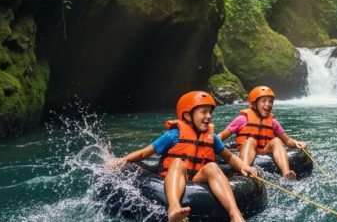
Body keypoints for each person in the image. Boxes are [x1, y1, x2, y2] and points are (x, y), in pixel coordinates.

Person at [108, 91, 257, 222]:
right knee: (178, 162)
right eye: (203, 112)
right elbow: (144, 153)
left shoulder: (212, 138)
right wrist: (124, 160)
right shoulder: (173, 135)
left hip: (197, 178)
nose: (208, 116)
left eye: (210, 112)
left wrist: (244, 166)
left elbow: (230, 157)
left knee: (212, 166)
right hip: (174, 176)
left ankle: (235, 214)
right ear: (187, 115)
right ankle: (174, 208)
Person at [218, 86, 307, 180]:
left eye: (270, 102)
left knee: (277, 140)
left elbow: (287, 140)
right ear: (254, 104)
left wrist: (296, 143)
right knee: (251, 140)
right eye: (264, 101)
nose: (268, 104)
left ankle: (286, 174)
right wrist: (211, 140)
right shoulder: (242, 119)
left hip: (264, 150)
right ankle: (244, 171)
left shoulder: (273, 123)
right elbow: (223, 135)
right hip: (245, 150)